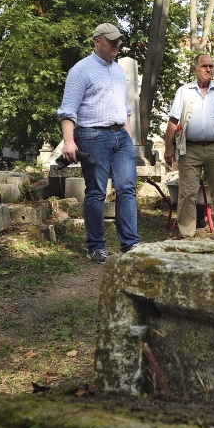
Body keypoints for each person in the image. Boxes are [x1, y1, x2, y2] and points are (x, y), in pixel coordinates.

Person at [57, 23, 142, 263]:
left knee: (127, 189)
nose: (117, 44)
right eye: (111, 40)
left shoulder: (117, 71)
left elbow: (125, 108)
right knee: (96, 192)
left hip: (121, 137)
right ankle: (95, 246)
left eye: (118, 40)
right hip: (93, 136)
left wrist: (128, 135)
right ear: (97, 40)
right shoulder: (81, 70)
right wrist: (69, 141)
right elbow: (67, 110)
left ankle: (131, 243)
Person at [164, 54, 214, 237]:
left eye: (211, 66)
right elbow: (173, 121)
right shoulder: (184, 91)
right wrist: (168, 148)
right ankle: (186, 233)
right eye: (204, 66)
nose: (209, 69)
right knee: (187, 193)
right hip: (190, 149)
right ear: (195, 68)